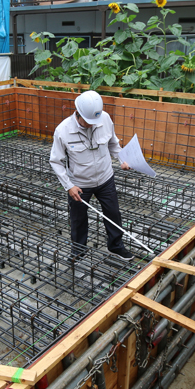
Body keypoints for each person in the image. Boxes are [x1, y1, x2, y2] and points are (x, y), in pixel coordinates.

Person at [50, 90, 133, 261]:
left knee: (113, 214)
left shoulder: (104, 119)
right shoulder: (63, 131)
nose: (92, 124)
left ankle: (116, 246)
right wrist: (69, 186)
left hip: (105, 178)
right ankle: (79, 250)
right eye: (88, 121)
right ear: (78, 113)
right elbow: (56, 161)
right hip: (80, 184)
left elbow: (113, 143)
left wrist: (122, 159)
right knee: (78, 220)